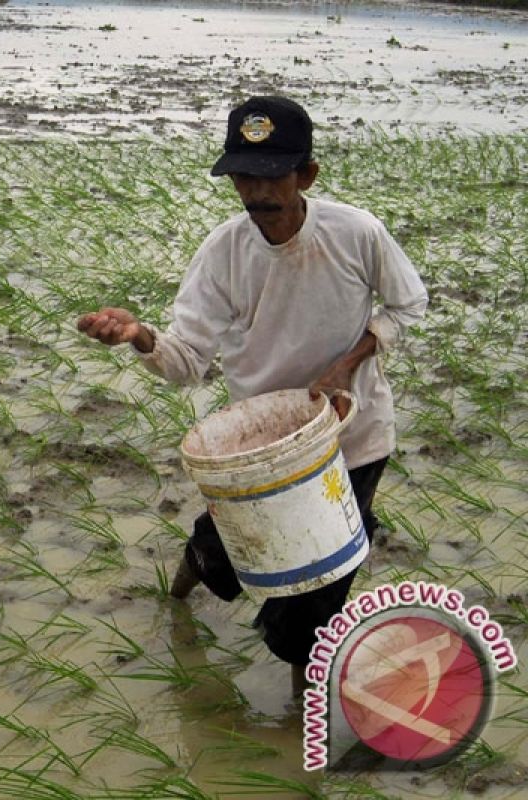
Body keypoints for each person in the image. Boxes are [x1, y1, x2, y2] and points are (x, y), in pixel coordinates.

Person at [76, 96, 428, 688]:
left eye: (271, 176)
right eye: (242, 176)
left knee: (314, 598)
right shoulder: (223, 253)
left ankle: (297, 730)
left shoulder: (357, 233)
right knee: (220, 559)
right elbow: (187, 361)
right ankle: (178, 601)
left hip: (351, 438)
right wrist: (140, 336)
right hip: (259, 447)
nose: (256, 192)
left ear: (306, 175)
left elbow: (408, 303)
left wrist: (349, 363)